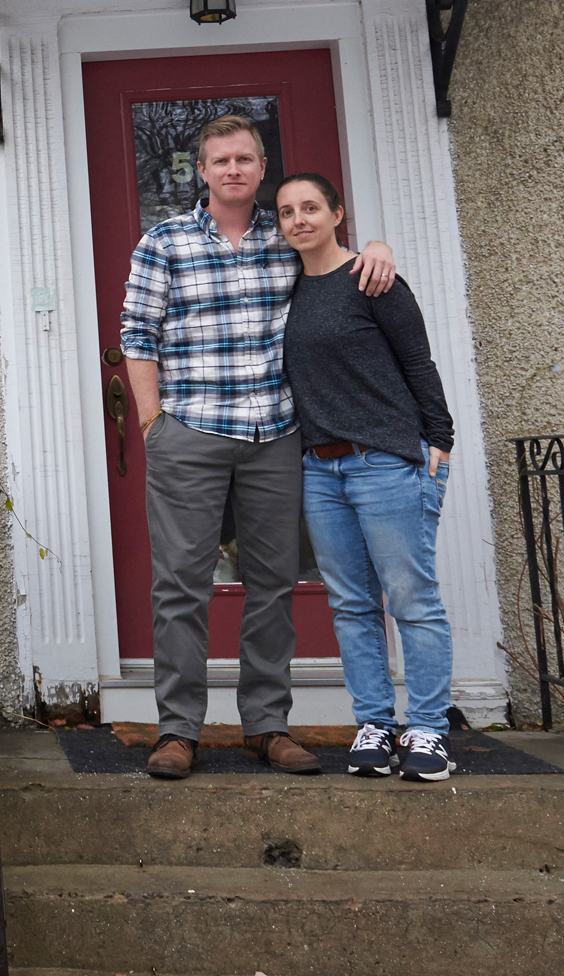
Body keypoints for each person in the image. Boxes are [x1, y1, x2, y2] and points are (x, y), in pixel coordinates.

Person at [120, 115, 396, 780]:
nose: (233, 169)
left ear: (261, 165)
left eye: (244, 158)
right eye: (221, 160)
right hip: (191, 433)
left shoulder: (291, 239)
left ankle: (267, 725)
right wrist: (154, 421)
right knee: (181, 587)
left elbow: (341, 268)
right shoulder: (165, 242)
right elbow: (138, 334)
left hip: (274, 434)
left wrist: (378, 245)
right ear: (203, 171)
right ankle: (178, 730)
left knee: (272, 585)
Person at [276, 171, 457, 782]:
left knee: (412, 599)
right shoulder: (287, 289)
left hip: (384, 460)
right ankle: (375, 724)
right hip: (319, 469)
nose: (298, 219)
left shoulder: (373, 280)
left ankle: (429, 729)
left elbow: (418, 363)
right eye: (286, 212)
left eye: (310, 207)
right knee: (353, 605)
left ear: (336, 213)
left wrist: (442, 442)